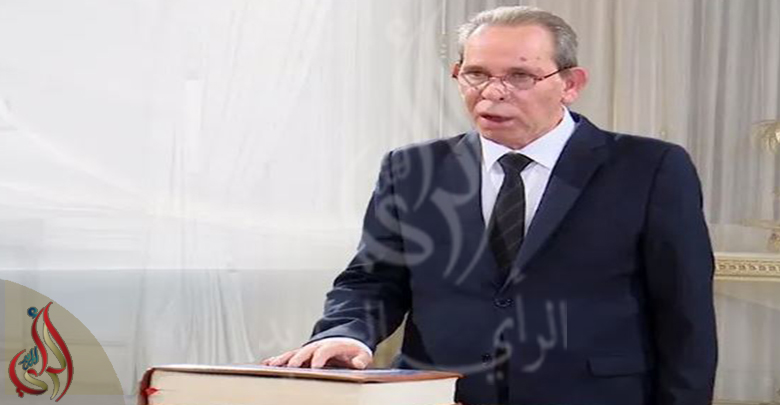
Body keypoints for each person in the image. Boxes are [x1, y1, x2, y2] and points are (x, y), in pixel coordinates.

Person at [262, 5, 717, 405]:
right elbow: (374, 279)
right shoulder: (412, 168)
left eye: (520, 76)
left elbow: (686, 314)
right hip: (441, 393)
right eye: (477, 74)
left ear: (570, 84)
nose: (493, 92)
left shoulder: (650, 167)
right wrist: (347, 334)